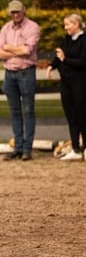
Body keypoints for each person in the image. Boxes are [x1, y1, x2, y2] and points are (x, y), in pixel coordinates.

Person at [0, 0, 41, 161]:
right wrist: (16, 51)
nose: (15, 14)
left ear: (24, 11)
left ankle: (27, 149)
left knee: (28, 110)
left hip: (26, 73)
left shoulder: (32, 27)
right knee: (14, 112)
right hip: (9, 74)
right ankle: (18, 148)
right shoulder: (6, 28)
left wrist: (8, 48)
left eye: (18, 11)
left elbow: (27, 50)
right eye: (12, 12)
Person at [46, 13, 86, 161]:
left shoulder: (84, 41)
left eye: (68, 24)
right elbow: (59, 56)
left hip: (81, 83)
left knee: (83, 116)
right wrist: (52, 66)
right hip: (66, 84)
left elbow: (83, 62)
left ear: (76, 25)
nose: (65, 27)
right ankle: (75, 149)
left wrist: (65, 59)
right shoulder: (67, 40)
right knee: (71, 117)